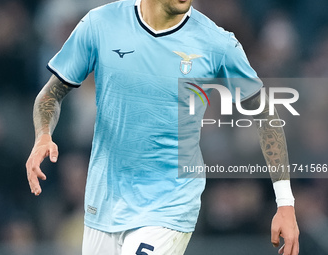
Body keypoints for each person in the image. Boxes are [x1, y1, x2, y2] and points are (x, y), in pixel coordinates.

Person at [26, 0, 299, 254]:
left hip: (169, 206)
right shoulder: (100, 24)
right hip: (104, 205)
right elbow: (51, 93)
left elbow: (265, 114)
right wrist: (42, 136)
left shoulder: (217, 43)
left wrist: (285, 202)